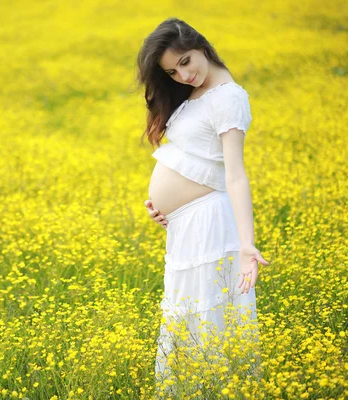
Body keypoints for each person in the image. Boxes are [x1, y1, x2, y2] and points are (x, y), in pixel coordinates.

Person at [136, 18, 270, 397]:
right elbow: (190, 158)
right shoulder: (195, 93)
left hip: (211, 223)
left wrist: (247, 245)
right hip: (187, 225)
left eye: (186, 61)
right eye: (172, 71)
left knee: (207, 320)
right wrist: (163, 207)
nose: (183, 74)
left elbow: (235, 175)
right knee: (188, 320)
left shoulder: (229, 97)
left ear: (201, 47)